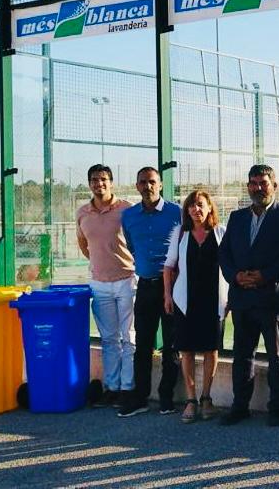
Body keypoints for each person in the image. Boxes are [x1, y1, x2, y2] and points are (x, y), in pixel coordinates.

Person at [218, 164, 279, 427]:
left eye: (263, 183)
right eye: (254, 183)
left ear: (274, 185)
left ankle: (277, 408)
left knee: (276, 354)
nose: (258, 188)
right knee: (242, 355)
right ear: (248, 187)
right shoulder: (237, 217)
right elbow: (224, 254)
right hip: (242, 297)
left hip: (273, 298)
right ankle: (239, 406)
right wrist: (235, 276)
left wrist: (264, 275)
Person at [118, 167, 182, 418]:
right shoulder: (129, 216)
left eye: (152, 182)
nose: (148, 186)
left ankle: (167, 397)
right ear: (137, 186)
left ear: (161, 185)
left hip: (172, 287)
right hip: (145, 286)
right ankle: (140, 397)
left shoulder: (176, 212)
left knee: (171, 344)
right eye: (143, 182)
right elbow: (132, 246)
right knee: (142, 344)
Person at [163, 189, 228, 423]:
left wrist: (229, 299)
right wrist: (167, 296)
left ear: (209, 207)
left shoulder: (221, 233)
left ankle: (206, 398)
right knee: (187, 350)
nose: (195, 209)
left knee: (211, 349)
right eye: (191, 205)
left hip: (214, 302)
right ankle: (191, 400)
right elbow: (169, 267)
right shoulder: (179, 233)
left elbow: (230, 266)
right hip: (184, 301)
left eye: (200, 204)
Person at [76, 164, 135, 410]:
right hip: (99, 284)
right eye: (94, 180)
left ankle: (127, 389)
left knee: (129, 337)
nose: (99, 184)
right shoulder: (82, 212)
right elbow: (83, 245)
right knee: (109, 339)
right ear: (89, 183)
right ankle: (111, 388)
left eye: (103, 179)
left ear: (111, 182)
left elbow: (135, 241)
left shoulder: (126, 209)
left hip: (127, 280)